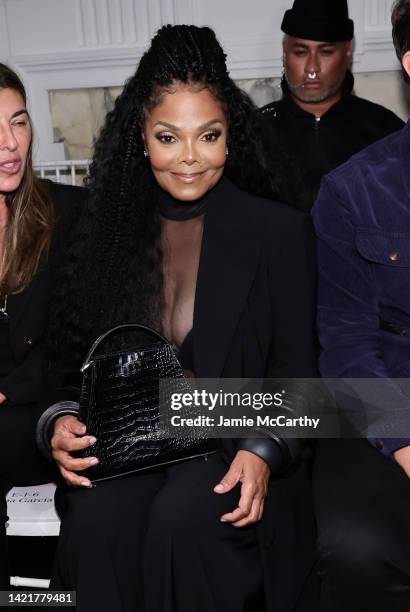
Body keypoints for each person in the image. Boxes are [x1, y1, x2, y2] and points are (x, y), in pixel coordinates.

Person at [36, 25, 318, 612]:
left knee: (183, 520)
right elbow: (67, 374)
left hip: (232, 445)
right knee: (96, 522)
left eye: (207, 136)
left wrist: (265, 449)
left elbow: (306, 385)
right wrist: (60, 423)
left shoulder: (278, 233)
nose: (189, 157)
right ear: (142, 136)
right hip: (130, 445)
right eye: (169, 137)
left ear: (230, 138)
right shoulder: (103, 235)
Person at [310, 1, 410, 610]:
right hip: (385, 403)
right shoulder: (353, 190)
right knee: (355, 545)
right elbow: (346, 342)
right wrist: (404, 441)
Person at [0, 63, 85, 588]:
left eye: (19, 122)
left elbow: (80, 336)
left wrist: (8, 391)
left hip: (52, 411)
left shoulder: (67, 213)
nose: (9, 144)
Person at [261, 0, 404, 208]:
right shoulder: (254, 132)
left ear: (347, 52)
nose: (312, 68)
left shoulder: (385, 131)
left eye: (325, 52)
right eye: (300, 52)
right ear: (284, 53)